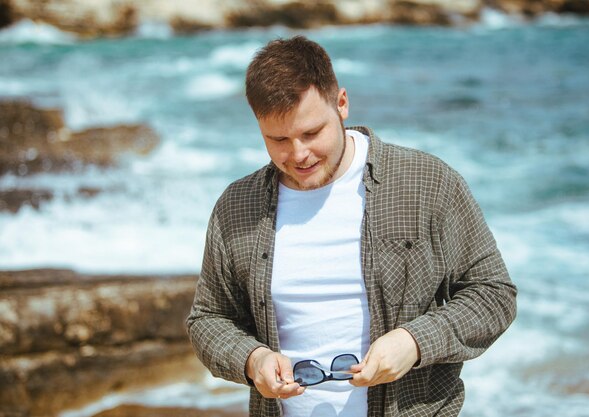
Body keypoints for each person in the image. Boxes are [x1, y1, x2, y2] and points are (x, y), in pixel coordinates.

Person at [186, 35, 517, 417]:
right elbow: (208, 320)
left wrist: (414, 342)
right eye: (277, 139)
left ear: (341, 103)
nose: (298, 154)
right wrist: (252, 358)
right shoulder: (237, 206)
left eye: (312, 133)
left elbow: (493, 294)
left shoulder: (427, 183)